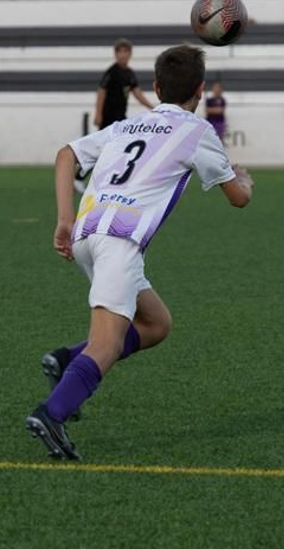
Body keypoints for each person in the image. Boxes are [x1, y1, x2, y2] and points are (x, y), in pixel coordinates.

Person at [27, 44, 253, 461]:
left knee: (156, 323)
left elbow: (66, 155)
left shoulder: (128, 125)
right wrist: (244, 181)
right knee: (107, 345)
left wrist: (63, 218)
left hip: (87, 232)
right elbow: (238, 198)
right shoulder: (197, 132)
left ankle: (64, 362)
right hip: (120, 242)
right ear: (200, 90)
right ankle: (52, 413)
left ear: (155, 86)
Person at [95, 39, 154, 129]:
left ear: (130, 54)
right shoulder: (111, 72)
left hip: (121, 116)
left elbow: (138, 93)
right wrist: (98, 114)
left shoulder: (130, 74)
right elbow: (101, 92)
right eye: (119, 52)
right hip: (108, 117)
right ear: (115, 54)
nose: (122, 55)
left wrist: (152, 107)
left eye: (125, 51)